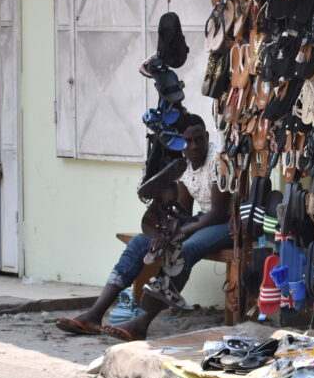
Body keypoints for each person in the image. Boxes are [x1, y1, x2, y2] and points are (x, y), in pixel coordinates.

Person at [55, 114, 233, 341]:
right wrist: (164, 231)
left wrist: (176, 235)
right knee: (140, 242)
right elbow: (183, 211)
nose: (195, 146)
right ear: (180, 142)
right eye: (188, 141)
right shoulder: (181, 163)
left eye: (199, 139)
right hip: (203, 219)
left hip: (229, 223)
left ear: (207, 137)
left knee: (184, 251)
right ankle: (94, 314)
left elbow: (218, 213)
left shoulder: (218, 160)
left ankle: (141, 323)